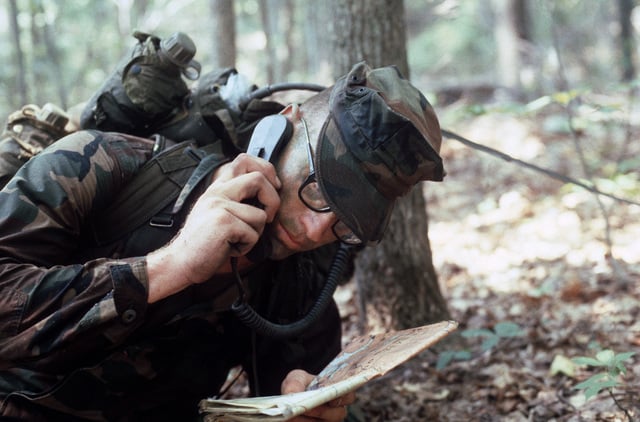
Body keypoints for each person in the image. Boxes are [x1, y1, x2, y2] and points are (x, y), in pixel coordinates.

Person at [0, 61, 444, 421]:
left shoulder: (299, 290)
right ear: (278, 131)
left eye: (344, 222)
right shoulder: (99, 165)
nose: (313, 230)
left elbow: (282, 398)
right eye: (317, 190)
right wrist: (169, 266)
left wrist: (305, 409)